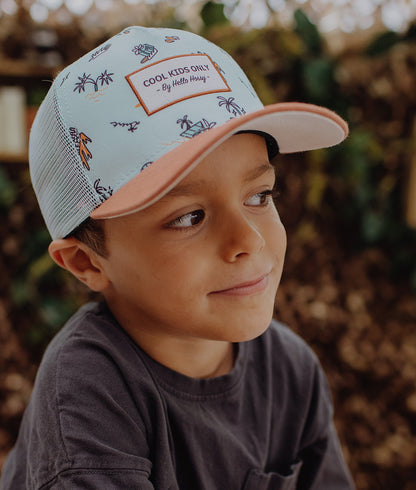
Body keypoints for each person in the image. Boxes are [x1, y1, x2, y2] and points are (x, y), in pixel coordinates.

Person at [0, 26, 354, 489]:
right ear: (87, 263)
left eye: (260, 195)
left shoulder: (291, 372)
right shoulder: (88, 392)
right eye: (189, 217)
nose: (247, 240)